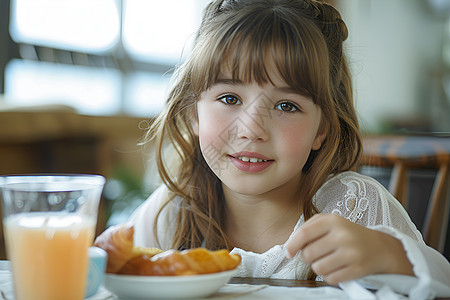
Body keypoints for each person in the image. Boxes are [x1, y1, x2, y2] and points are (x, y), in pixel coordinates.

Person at [96, 0, 450, 298]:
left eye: (286, 106)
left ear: (321, 129)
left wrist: (389, 255)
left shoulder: (354, 205)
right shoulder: (171, 210)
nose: (252, 130)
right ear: (193, 116)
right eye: (229, 98)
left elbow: (441, 282)